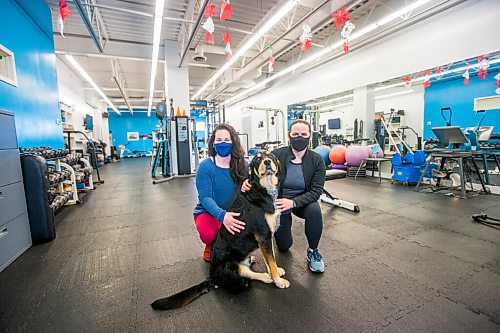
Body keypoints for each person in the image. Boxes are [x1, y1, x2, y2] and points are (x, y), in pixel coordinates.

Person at [242, 119, 326, 273]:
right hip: (278, 202)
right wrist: (246, 182)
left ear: (309, 136)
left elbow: (316, 191)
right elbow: (259, 169)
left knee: (315, 210)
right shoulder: (277, 154)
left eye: (303, 134)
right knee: (284, 246)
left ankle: (313, 251)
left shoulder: (317, 160)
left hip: (302, 201)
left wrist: (293, 202)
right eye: (295, 134)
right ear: (289, 135)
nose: (299, 137)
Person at [193, 124, 247, 261]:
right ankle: (210, 244)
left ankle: (225, 237)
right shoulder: (205, 166)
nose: (223, 143)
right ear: (213, 143)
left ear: (233, 141)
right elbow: (205, 198)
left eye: (227, 140)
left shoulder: (243, 165)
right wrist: (222, 216)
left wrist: (249, 184)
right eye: (219, 140)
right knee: (208, 234)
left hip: (234, 211)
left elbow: (251, 189)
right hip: (208, 211)